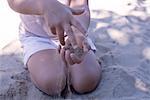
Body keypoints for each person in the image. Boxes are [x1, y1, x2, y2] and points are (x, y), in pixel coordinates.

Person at [7, 0, 102, 96]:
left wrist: (77, 33)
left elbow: (80, 5)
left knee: (86, 81)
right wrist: (45, 5)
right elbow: (14, 2)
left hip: (70, 32)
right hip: (37, 37)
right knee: (52, 82)